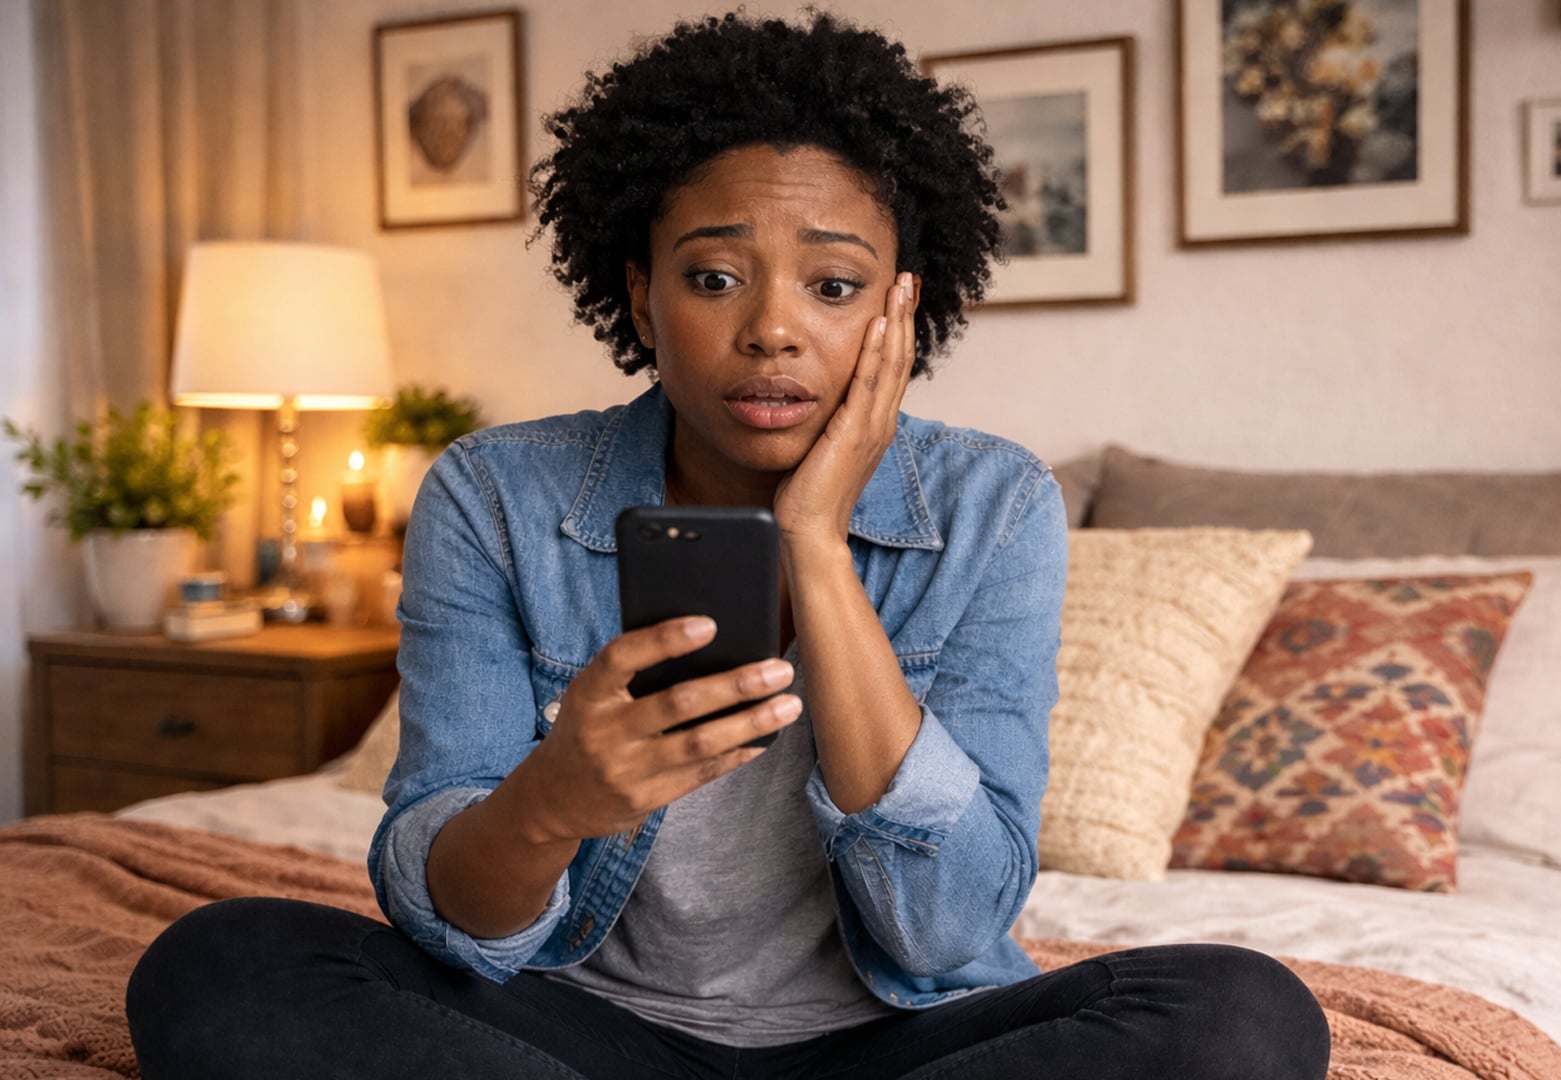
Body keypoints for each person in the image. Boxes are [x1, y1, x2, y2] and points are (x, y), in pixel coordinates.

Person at [126, 12, 1331, 1079]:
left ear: (901, 310)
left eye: (832, 285)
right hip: (571, 1031)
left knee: (1242, 1018)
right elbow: (450, 922)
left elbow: (952, 929)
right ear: (641, 296)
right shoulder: (494, 493)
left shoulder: (994, 506)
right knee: (219, 966)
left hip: (894, 1039)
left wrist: (813, 538)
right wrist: (552, 802)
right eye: (713, 276)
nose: (771, 331)